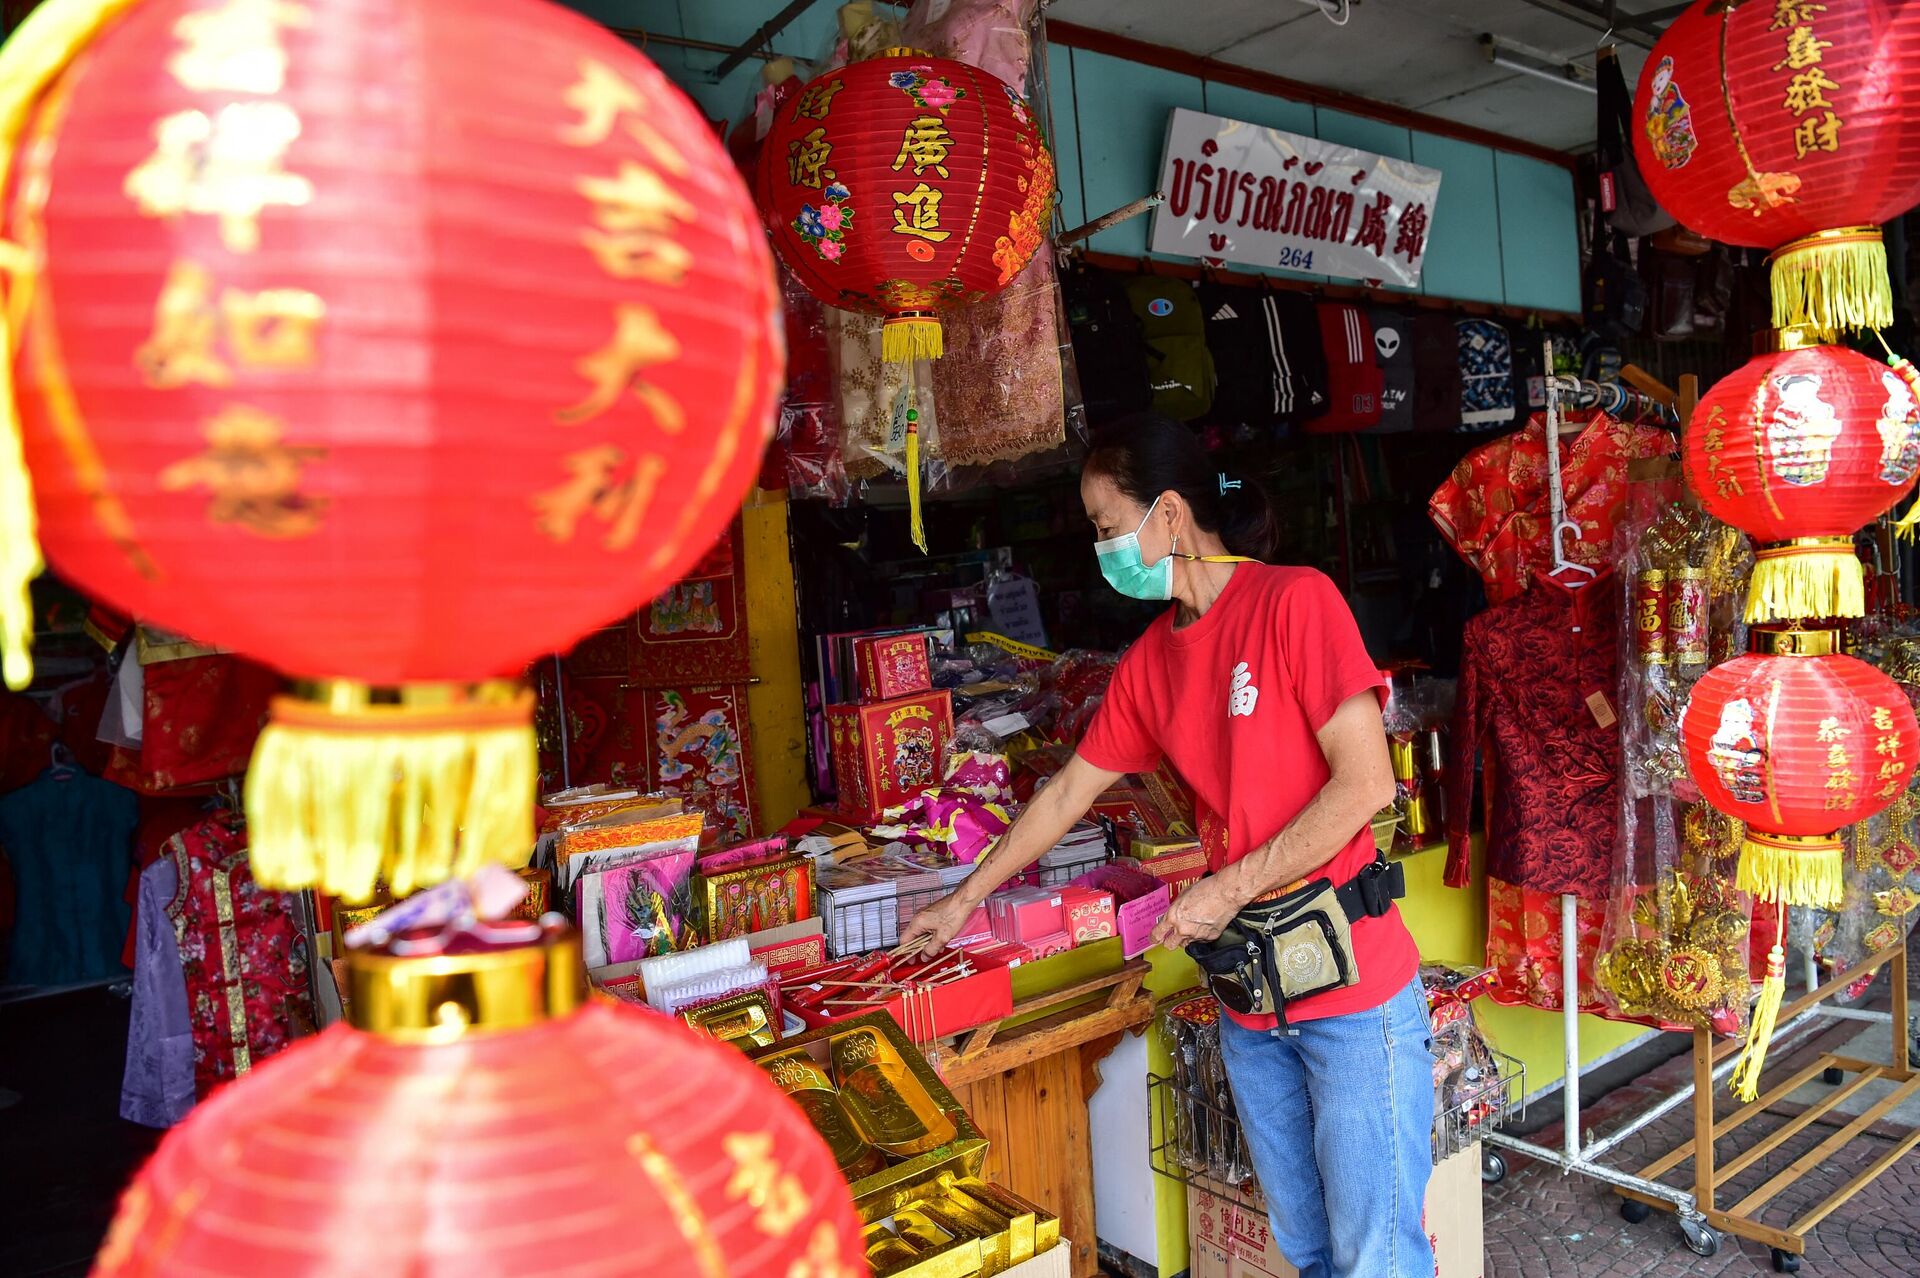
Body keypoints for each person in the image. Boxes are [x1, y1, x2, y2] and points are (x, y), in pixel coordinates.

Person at [897, 413, 1434, 1278]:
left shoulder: (1295, 602)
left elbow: (1366, 786)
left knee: (1376, 1256)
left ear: (1171, 515)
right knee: (1306, 1248)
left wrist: (1227, 886)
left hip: (1352, 990)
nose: (1103, 549)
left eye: (1109, 527)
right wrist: (962, 901)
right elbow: (1070, 789)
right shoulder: (1151, 661)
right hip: (1250, 1000)